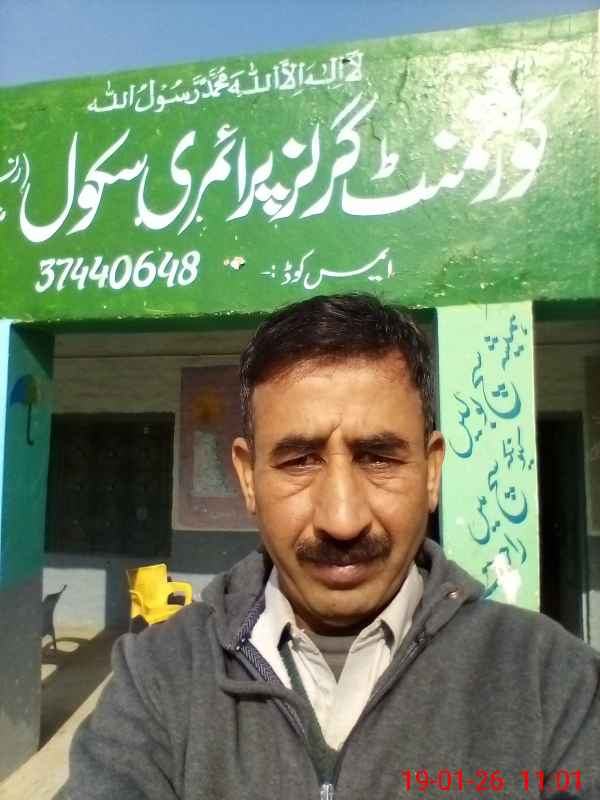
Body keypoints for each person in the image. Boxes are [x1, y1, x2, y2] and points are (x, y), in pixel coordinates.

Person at [63, 294, 599, 800]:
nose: (343, 521)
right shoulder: (158, 676)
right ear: (248, 480)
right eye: (299, 461)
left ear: (432, 472)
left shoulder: (555, 684)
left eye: (379, 458)